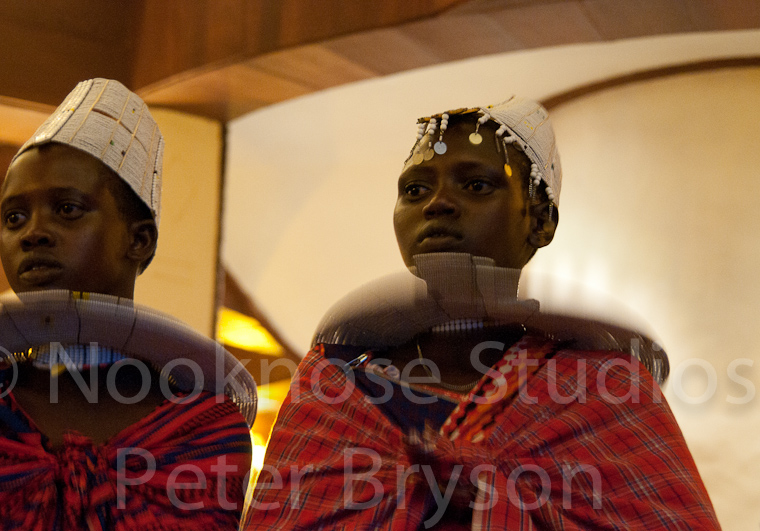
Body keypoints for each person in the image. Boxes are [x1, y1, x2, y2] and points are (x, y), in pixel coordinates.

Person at [241, 98, 721, 529]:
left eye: (475, 185)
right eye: (414, 191)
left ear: (540, 220)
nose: (438, 204)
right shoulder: (333, 387)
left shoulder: (609, 390)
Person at [0, 79, 255, 529]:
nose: (32, 232)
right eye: (14, 217)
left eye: (68, 209)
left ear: (139, 240)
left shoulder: (204, 429)